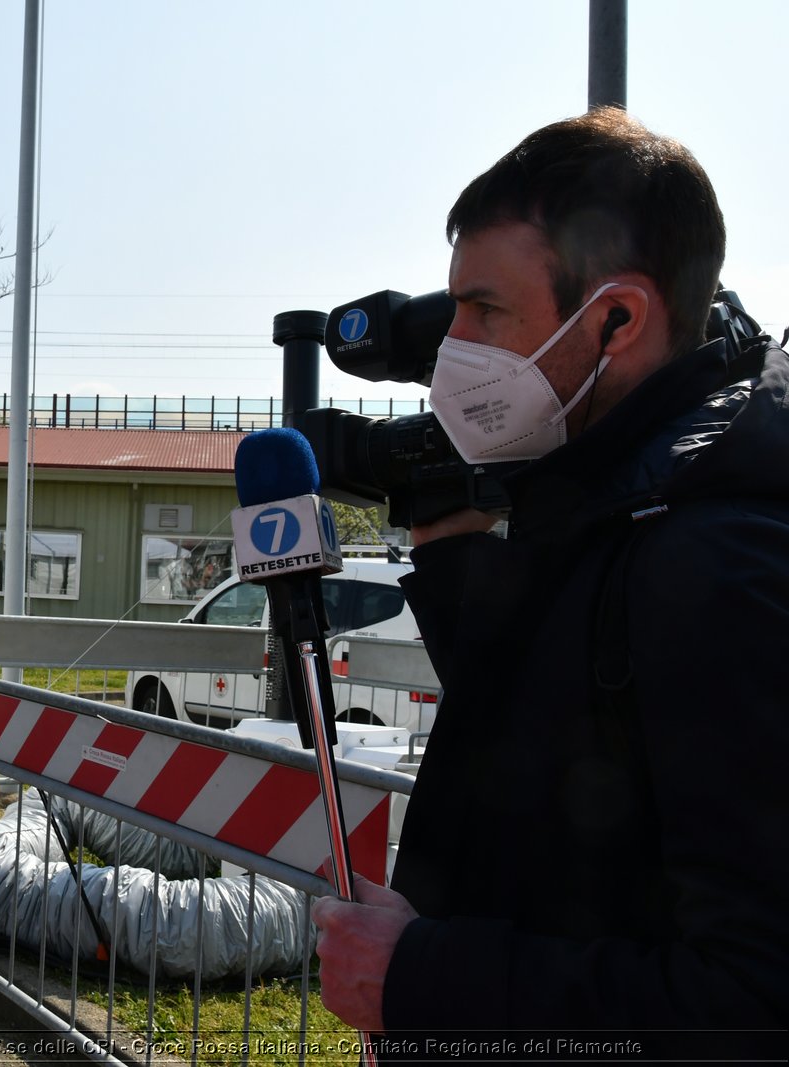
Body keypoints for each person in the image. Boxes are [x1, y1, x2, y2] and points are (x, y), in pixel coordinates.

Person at [311, 109, 788, 1059]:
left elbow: (754, 1003)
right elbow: (570, 744)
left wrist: (427, 980)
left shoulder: (719, 561)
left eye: (486, 312)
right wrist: (455, 558)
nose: (454, 352)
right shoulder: (616, 501)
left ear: (617, 319)